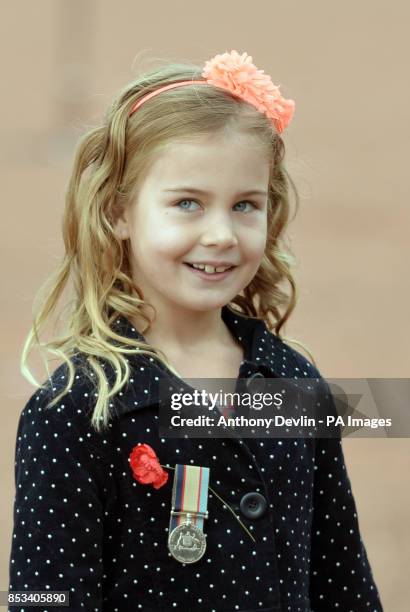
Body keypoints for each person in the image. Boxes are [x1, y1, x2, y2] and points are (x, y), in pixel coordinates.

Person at [8, 50, 384, 611]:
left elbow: (341, 576)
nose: (221, 235)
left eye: (244, 205)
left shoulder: (293, 381)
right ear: (118, 212)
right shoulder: (73, 410)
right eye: (187, 203)